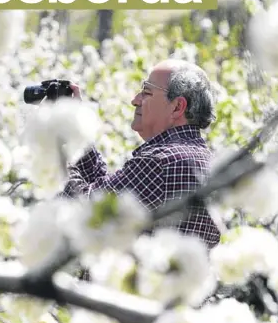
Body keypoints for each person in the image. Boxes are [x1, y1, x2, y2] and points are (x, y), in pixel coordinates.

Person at [59, 59, 221, 249]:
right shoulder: (208, 162)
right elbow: (104, 192)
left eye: (146, 92)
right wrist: (78, 131)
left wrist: (58, 138)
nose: (135, 100)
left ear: (177, 107)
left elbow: (85, 209)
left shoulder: (158, 162)